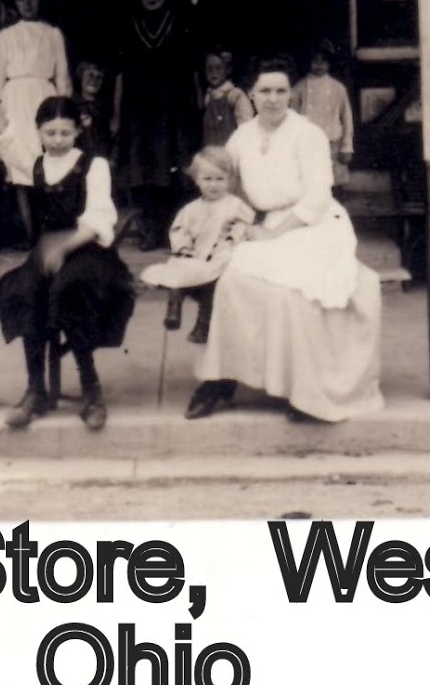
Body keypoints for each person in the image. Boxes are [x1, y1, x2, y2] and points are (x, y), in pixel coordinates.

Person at [184, 56, 384, 423]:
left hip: (315, 225)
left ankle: (304, 389)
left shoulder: (307, 134)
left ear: (290, 94)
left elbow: (317, 197)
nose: (273, 99)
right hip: (264, 223)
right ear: (253, 94)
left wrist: (273, 234)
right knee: (230, 282)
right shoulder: (242, 136)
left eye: (280, 91)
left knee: (295, 293)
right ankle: (220, 377)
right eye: (265, 91)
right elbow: (223, 177)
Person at [0, 45, 134, 432]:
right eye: (50, 133)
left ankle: (92, 391)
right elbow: (3, 132)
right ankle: (35, 390)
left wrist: (63, 245)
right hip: (47, 254)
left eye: (65, 132)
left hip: (88, 252)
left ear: (78, 131)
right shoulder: (35, 163)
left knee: (70, 289)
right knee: (23, 289)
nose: (58, 139)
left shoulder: (93, 166)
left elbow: (99, 219)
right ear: (40, 132)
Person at [111, 0, 200, 250]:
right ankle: (149, 231)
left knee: (170, 170)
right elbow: (120, 74)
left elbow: (191, 70)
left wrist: (195, 107)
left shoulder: (179, 22)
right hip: (137, 112)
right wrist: (116, 113)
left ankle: (171, 231)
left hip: (170, 110)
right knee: (141, 172)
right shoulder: (129, 24)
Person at [0, 0, 70, 245]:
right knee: (21, 168)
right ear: (14, 3)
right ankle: (30, 233)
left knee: (47, 163)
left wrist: (63, 109)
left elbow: (62, 76)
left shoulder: (52, 34)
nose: (27, 3)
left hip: (44, 99)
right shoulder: (6, 36)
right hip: (16, 102)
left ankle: (51, 231)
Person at [140, 146, 255, 345]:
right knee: (177, 274)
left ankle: (203, 323)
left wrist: (231, 238)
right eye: (207, 179)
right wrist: (184, 248)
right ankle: (174, 309)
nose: (214, 185)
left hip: (220, 255)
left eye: (220, 179)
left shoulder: (234, 206)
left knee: (214, 288)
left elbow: (243, 226)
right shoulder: (191, 209)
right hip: (194, 255)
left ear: (230, 180)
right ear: (197, 180)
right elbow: (179, 230)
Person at [293, 40, 354, 187]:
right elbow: (292, 117)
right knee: (309, 183)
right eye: (315, 60)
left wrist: (347, 146)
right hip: (307, 145)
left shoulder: (338, 88)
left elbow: (346, 119)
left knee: (334, 184)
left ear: (330, 63)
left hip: (332, 143)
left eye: (323, 61)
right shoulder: (300, 87)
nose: (319, 65)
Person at [200, 48, 253, 149]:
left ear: (228, 70)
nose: (213, 72)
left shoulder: (235, 96)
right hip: (212, 154)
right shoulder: (208, 97)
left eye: (218, 68)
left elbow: (246, 128)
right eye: (209, 68)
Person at [72, 59, 113, 158]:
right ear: (81, 76)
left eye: (99, 77)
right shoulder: (71, 105)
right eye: (90, 75)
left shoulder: (104, 109)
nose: (94, 80)